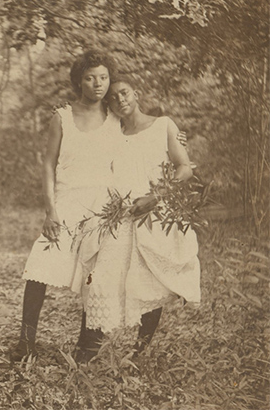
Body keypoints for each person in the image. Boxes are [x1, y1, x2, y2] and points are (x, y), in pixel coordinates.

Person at [76, 76, 201, 361]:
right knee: (101, 275)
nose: (120, 100)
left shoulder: (163, 125)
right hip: (120, 213)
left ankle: (139, 350)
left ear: (137, 93)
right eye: (113, 98)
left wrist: (155, 197)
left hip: (154, 212)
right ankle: (89, 347)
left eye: (124, 93)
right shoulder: (111, 133)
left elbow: (184, 168)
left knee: (148, 281)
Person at [10, 50, 122, 362]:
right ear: (78, 81)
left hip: (102, 209)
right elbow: (48, 165)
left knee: (97, 277)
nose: (97, 84)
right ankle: (26, 343)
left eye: (103, 78)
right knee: (39, 270)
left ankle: (87, 349)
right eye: (90, 78)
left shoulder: (116, 120)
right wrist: (51, 210)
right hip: (66, 202)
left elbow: (141, 143)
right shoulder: (62, 117)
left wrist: (175, 140)